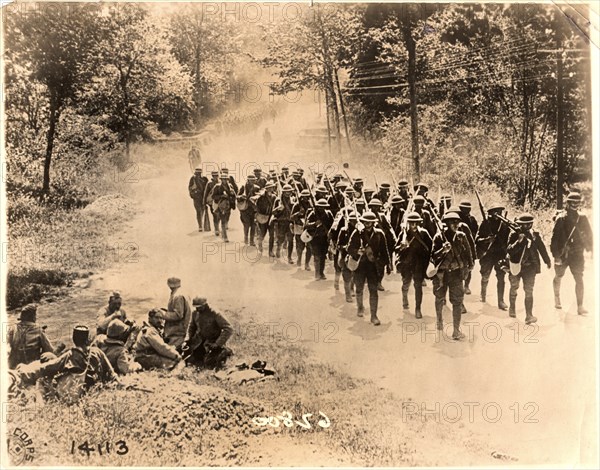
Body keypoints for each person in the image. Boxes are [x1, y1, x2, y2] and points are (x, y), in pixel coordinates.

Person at [17, 326, 118, 401]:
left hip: (76, 393)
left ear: (73, 339)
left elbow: (47, 368)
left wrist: (23, 371)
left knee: (42, 381)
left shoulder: (70, 355)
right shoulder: (97, 352)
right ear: (87, 339)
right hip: (94, 390)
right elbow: (112, 374)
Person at [430, 212, 474, 339]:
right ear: (447, 224)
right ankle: (439, 320)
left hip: (456, 274)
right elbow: (433, 257)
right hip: (441, 274)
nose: (456, 225)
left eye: (457, 222)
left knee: (458, 301)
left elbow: (468, 252)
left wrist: (470, 265)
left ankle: (456, 330)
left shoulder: (461, 236)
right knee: (439, 298)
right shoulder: (439, 237)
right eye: (452, 222)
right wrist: (442, 250)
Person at [551, 192, 593, 314]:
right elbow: (554, 239)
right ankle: (557, 298)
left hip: (577, 254)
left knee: (579, 278)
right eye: (572, 202)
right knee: (559, 276)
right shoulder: (561, 219)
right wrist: (556, 256)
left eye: (577, 202)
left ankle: (580, 306)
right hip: (563, 254)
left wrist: (591, 249)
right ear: (568, 203)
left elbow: (590, 235)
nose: (575, 205)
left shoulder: (583, 218)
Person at [347, 211, 391, 325]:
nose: (367, 224)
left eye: (370, 221)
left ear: (373, 222)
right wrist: (357, 251)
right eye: (365, 221)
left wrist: (388, 264)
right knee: (359, 288)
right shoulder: (357, 233)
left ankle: (374, 315)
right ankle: (360, 307)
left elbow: (385, 250)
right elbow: (349, 248)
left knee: (373, 291)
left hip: (373, 266)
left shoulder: (379, 234)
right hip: (360, 265)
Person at [507, 214, 551, 324]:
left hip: (530, 267)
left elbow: (542, 248)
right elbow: (509, 250)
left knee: (529, 291)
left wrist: (547, 261)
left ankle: (529, 315)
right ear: (519, 224)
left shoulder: (535, 235)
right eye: (523, 224)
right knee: (514, 287)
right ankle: (512, 308)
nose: (526, 226)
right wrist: (519, 242)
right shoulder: (514, 235)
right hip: (516, 265)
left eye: (528, 224)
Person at [395, 212, 432, 319]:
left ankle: (417, 308)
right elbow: (395, 248)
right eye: (411, 223)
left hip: (419, 264)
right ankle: (405, 298)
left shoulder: (424, 233)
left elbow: (431, 247)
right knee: (406, 283)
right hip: (406, 264)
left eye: (416, 223)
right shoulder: (403, 234)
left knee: (418, 286)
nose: (414, 225)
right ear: (408, 223)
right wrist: (401, 247)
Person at [475, 204, 510, 310]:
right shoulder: (485, 224)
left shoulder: (504, 224)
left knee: (501, 277)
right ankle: (483, 294)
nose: (498, 214)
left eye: (500, 211)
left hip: (500, 254)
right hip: (488, 254)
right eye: (495, 212)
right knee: (485, 275)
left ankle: (501, 301)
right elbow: (477, 240)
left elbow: (509, 239)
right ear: (490, 213)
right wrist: (487, 240)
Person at [182, 297, 233, 370]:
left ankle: (226, 351)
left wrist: (217, 343)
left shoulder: (215, 313)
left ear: (205, 305)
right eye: (195, 307)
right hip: (199, 342)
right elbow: (191, 327)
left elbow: (228, 328)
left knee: (209, 363)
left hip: (212, 343)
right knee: (190, 360)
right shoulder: (195, 313)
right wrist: (187, 339)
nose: (197, 309)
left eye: (199, 307)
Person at [8, 304, 55, 369]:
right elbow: (49, 350)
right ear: (32, 317)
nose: (36, 317)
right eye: (35, 315)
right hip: (31, 368)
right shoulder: (38, 330)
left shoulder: (13, 328)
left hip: (12, 367)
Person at [305, 199, 334, 280]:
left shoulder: (328, 214)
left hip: (324, 239)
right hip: (315, 238)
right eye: (320, 207)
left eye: (323, 207)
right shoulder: (313, 214)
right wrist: (314, 224)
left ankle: (321, 273)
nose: (322, 209)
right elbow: (306, 225)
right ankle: (317, 274)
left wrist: (330, 233)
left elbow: (333, 225)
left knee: (323, 256)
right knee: (317, 256)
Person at [162, 277, 192, 349]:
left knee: (171, 351)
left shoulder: (177, 296)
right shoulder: (183, 293)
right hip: (182, 328)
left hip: (178, 332)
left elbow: (178, 315)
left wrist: (162, 314)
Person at [336, 210, 359, 302]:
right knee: (347, 276)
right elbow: (338, 245)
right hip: (345, 256)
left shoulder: (360, 232)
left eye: (355, 221)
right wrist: (345, 247)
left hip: (356, 257)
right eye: (352, 221)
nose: (354, 223)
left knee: (354, 275)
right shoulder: (343, 230)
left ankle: (352, 289)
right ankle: (347, 295)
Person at [457, 201, 479, 295]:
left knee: (469, 268)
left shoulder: (472, 219)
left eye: (468, 209)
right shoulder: (456, 219)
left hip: (468, 244)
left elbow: (475, 231)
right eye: (463, 209)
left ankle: (466, 286)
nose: (466, 211)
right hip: (458, 246)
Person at [290, 189, 313, 270]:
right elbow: (291, 217)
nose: (306, 198)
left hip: (308, 227)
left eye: (307, 197)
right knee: (300, 246)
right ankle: (299, 258)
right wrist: (299, 213)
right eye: (304, 197)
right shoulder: (296, 205)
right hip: (299, 227)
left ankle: (307, 264)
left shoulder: (311, 205)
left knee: (309, 246)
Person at [272, 184, 295, 262]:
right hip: (281, 223)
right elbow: (273, 212)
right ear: (283, 192)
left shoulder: (293, 200)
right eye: (286, 192)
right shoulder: (278, 200)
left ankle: (289, 257)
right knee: (280, 239)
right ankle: (278, 249)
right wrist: (279, 208)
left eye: (289, 192)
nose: (288, 193)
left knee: (291, 240)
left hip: (290, 223)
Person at [211, 174, 236, 242]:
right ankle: (225, 236)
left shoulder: (230, 186)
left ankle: (222, 232)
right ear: (221, 179)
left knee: (226, 219)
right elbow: (213, 196)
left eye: (226, 179)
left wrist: (232, 195)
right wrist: (221, 196)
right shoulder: (217, 186)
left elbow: (234, 196)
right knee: (223, 220)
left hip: (228, 206)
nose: (225, 180)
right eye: (223, 179)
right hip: (220, 206)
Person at [255, 182, 277, 257]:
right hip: (263, 217)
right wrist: (258, 216)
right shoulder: (261, 197)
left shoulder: (274, 197)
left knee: (272, 235)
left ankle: (270, 251)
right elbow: (257, 207)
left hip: (271, 217)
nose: (270, 189)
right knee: (262, 233)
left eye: (272, 187)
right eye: (269, 187)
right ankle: (260, 245)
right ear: (266, 189)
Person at [188, 167, 208, 232]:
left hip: (203, 197)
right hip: (196, 198)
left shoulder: (204, 179)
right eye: (197, 173)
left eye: (199, 173)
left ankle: (201, 223)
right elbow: (190, 188)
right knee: (198, 211)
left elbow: (207, 188)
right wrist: (194, 193)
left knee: (202, 210)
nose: (198, 175)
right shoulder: (193, 179)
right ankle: (200, 225)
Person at [204, 170, 221, 236]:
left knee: (219, 215)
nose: (215, 177)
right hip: (211, 202)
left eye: (216, 176)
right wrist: (204, 202)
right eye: (214, 176)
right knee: (215, 215)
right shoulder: (209, 183)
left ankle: (217, 227)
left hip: (219, 201)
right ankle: (216, 229)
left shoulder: (220, 183)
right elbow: (205, 193)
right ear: (212, 176)